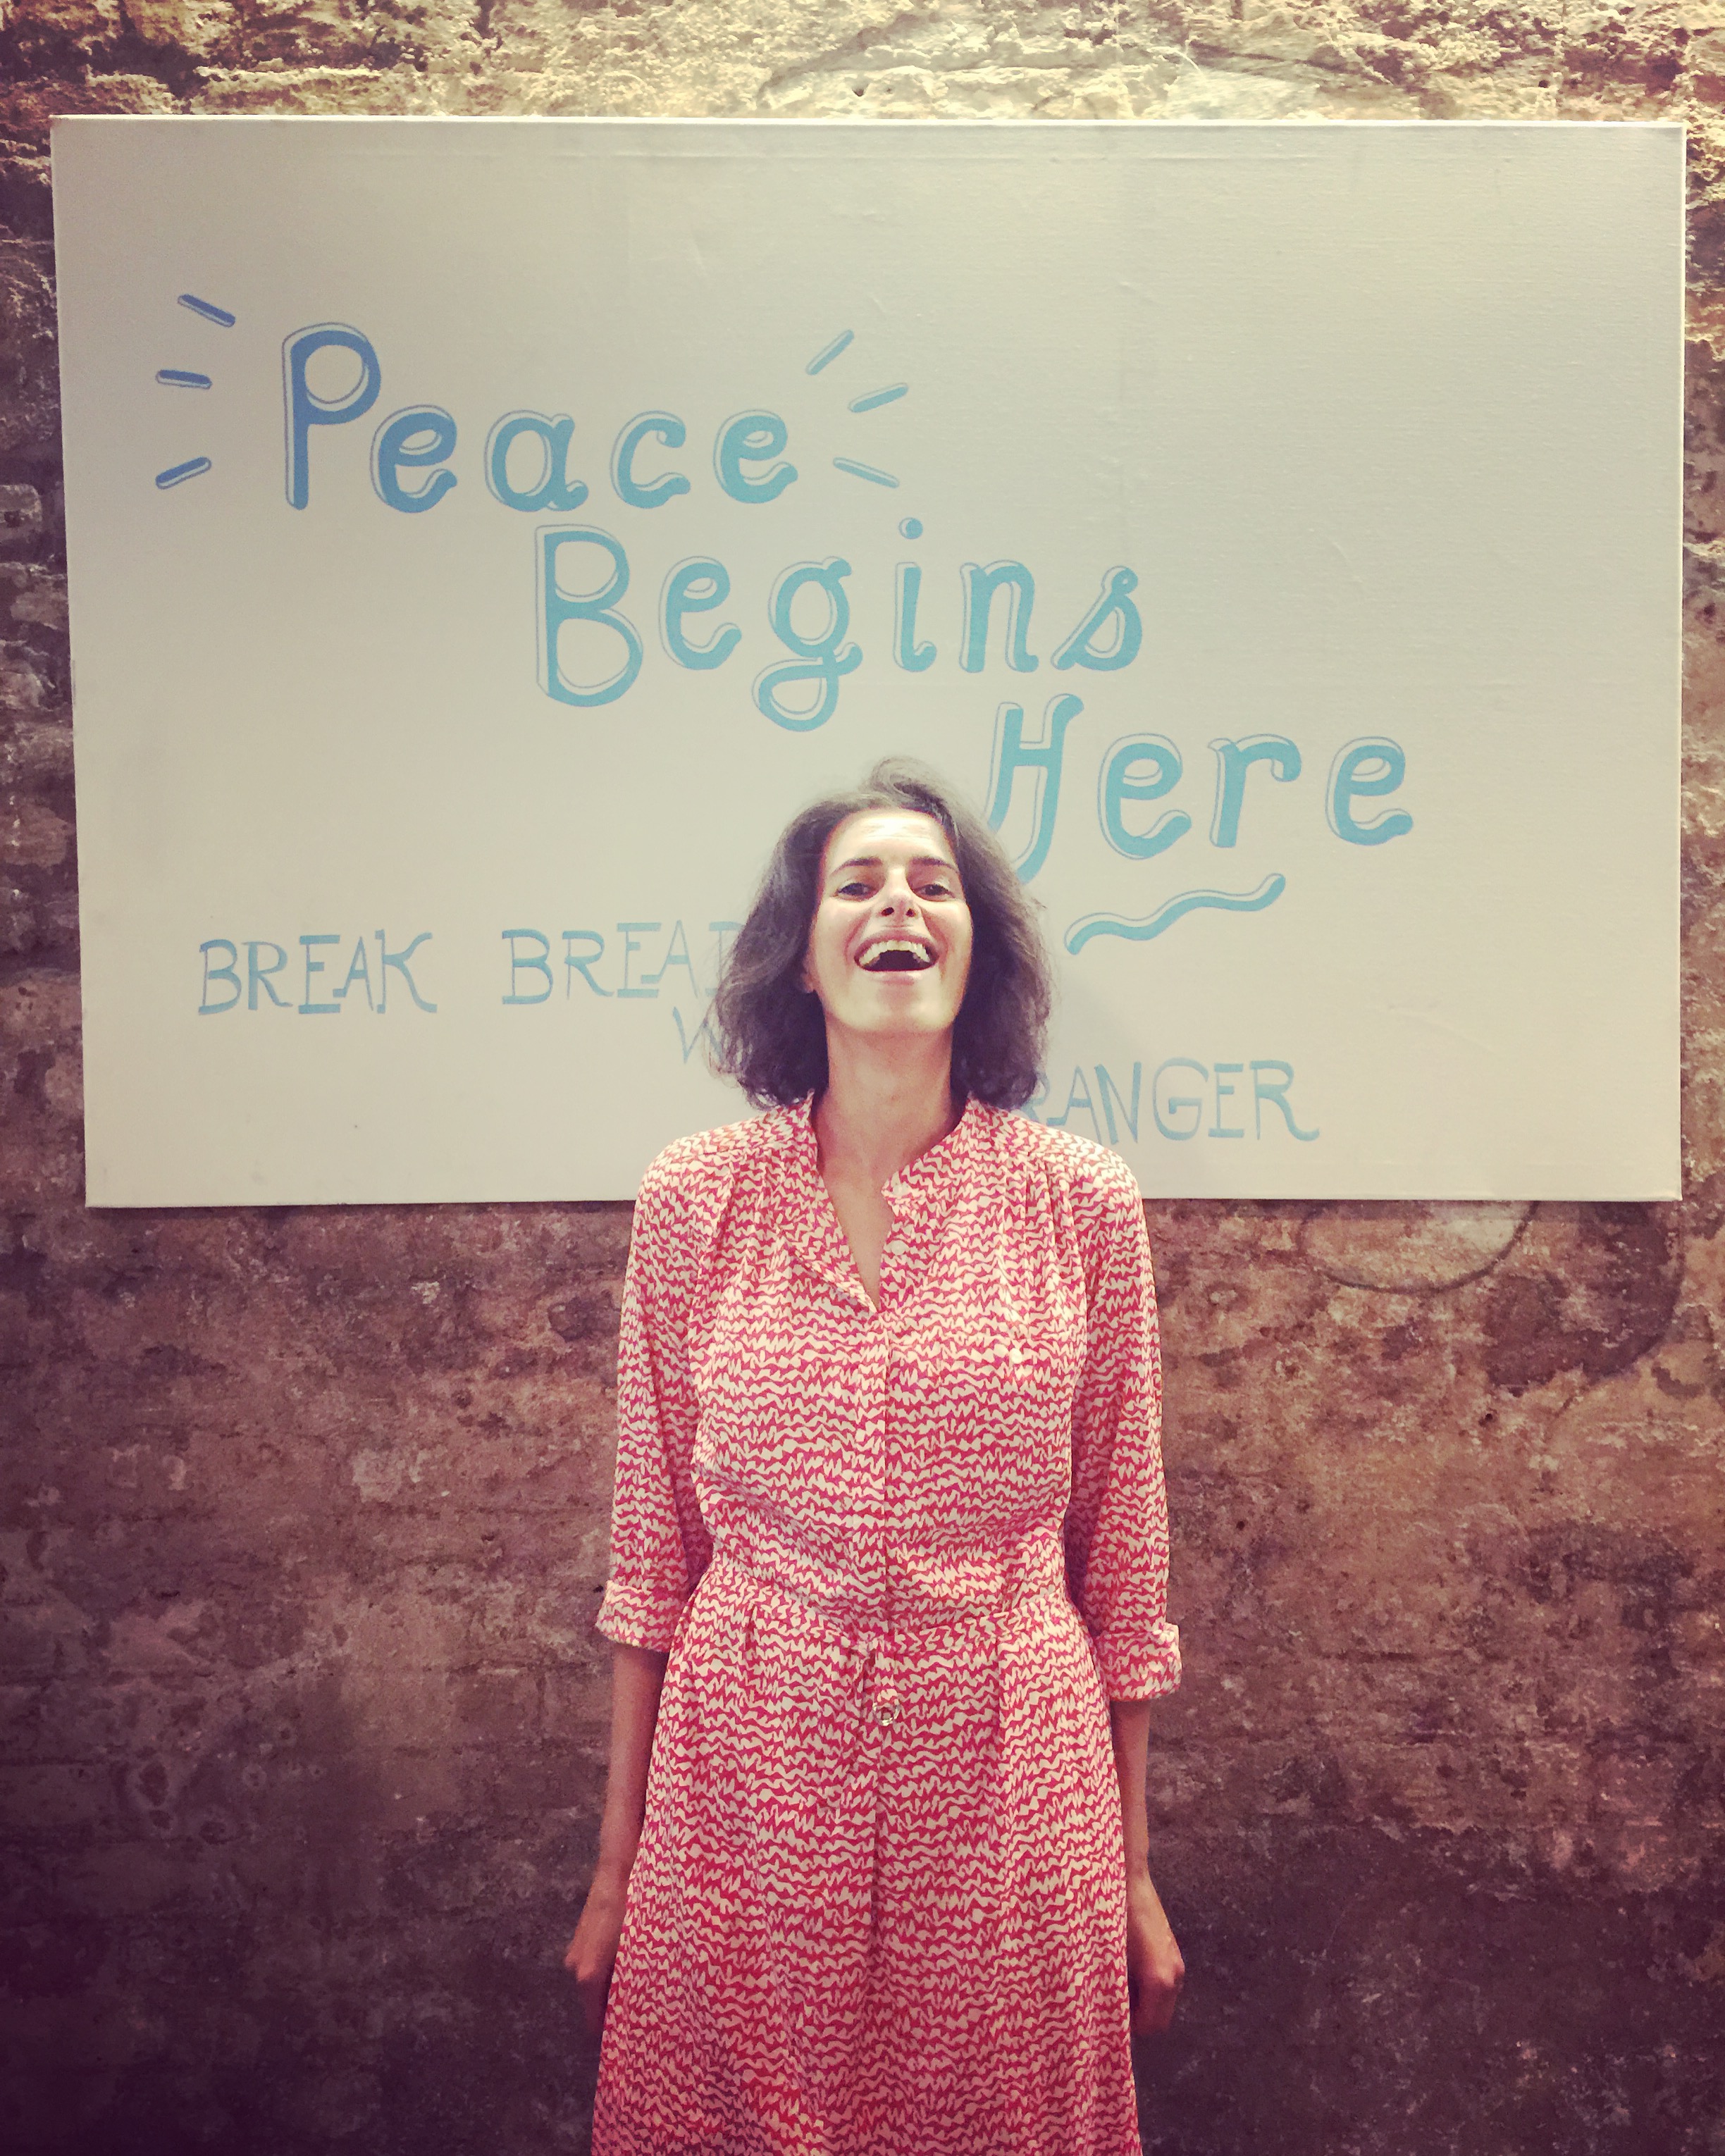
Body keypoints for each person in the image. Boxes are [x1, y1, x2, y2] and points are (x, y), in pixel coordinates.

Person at [564, 759, 1183, 2155]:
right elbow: (653, 1561)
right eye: (857, 883)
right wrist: (615, 1869)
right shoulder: (696, 1200)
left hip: (1013, 1794)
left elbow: (1124, 1571)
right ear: (801, 956)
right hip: (746, 1790)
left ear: (978, 951)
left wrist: (1136, 1875)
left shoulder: (1080, 1205)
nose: (898, 903)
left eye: (932, 884)